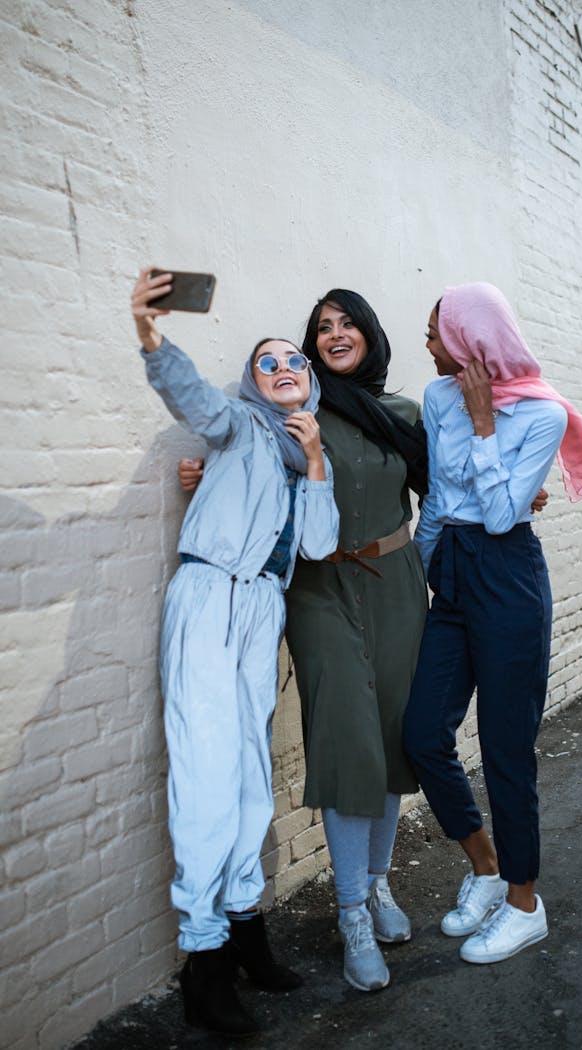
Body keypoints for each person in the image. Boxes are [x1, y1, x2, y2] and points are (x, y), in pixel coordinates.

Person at [180, 288, 429, 992]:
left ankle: (377, 887)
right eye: (323, 327)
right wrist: (202, 477)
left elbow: (446, 489)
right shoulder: (289, 417)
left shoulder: (403, 416)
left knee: (390, 740)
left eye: (347, 323)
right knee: (349, 743)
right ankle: (351, 914)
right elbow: (243, 466)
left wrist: (524, 490)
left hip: (397, 584)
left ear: (370, 334)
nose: (334, 334)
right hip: (320, 593)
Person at [131, 267, 339, 1036]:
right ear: (253, 385)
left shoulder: (304, 453)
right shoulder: (237, 427)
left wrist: (315, 460)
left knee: (251, 772)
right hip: (209, 596)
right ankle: (204, 958)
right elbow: (193, 401)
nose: (285, 370)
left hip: (260, 609)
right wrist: (153, 335)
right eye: (268, 363)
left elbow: (318, 543)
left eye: (297, 363)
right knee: (207, 772)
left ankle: (246, 926)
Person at [403, 281, 582, 965]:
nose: (427, 343)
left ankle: (525, 903)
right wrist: (431, 567)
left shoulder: (544, 415)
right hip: (454, 574)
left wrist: (486, 425)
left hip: (510, 577)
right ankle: (484, 866)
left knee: (505, 750)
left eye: (436, 331)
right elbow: (437, 496)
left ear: (468, 338)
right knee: (425, 733)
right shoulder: (435, 398)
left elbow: (498, 515)